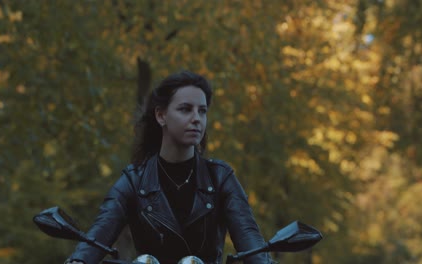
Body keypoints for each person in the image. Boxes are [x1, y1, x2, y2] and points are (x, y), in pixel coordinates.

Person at [66, 70, 271, 264]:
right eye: (185, 109)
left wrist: (261, 260)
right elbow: (100, 232)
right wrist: (79, 260)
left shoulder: (220, 177)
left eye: (202, 111)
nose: (196, 119)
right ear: (161, 116)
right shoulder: (134, 180)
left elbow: (249, 237)